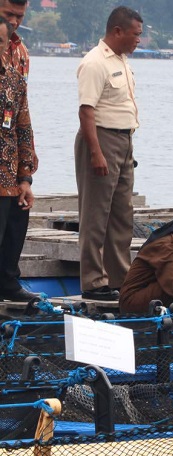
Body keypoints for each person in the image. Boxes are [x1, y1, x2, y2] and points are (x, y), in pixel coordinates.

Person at [75, 6, 143, 301]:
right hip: (100, 139)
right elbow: (86, 111)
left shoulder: (122, 61)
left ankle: (119, 277)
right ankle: (93, 281)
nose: (138, 40)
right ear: (118, 31)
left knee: (121, 214)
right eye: (135, 34)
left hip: (124, 140)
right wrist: (96, 153)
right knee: (95, 214)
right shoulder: (94, 62)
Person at [0, 0, 38, 301]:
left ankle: (8, 282)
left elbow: (22, 120)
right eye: (7, 15)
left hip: (10, 162)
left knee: (16, 221)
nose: (13, 22)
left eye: (19, 17)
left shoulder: (20, 58)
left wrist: (26, 175)